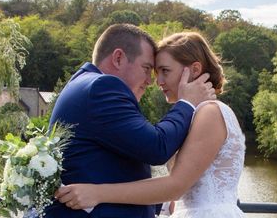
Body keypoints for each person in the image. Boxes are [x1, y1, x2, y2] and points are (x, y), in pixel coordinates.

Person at [55, 31, 246, 218]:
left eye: (165, 71)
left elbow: (175, 186)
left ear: (194, 70)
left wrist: (97, 193)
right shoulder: (191, 117)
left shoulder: (210, 112)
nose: (157, 81)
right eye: (152, 70)